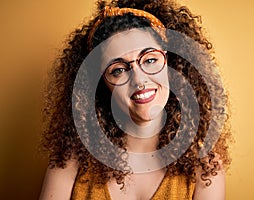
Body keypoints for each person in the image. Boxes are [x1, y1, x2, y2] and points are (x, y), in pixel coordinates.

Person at [39, 0, 232, 199]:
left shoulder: (205, 167)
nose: (139, 80)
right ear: (100, 83)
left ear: (169, 62)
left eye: (150, 60)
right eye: (119, 70)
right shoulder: (69, 162)